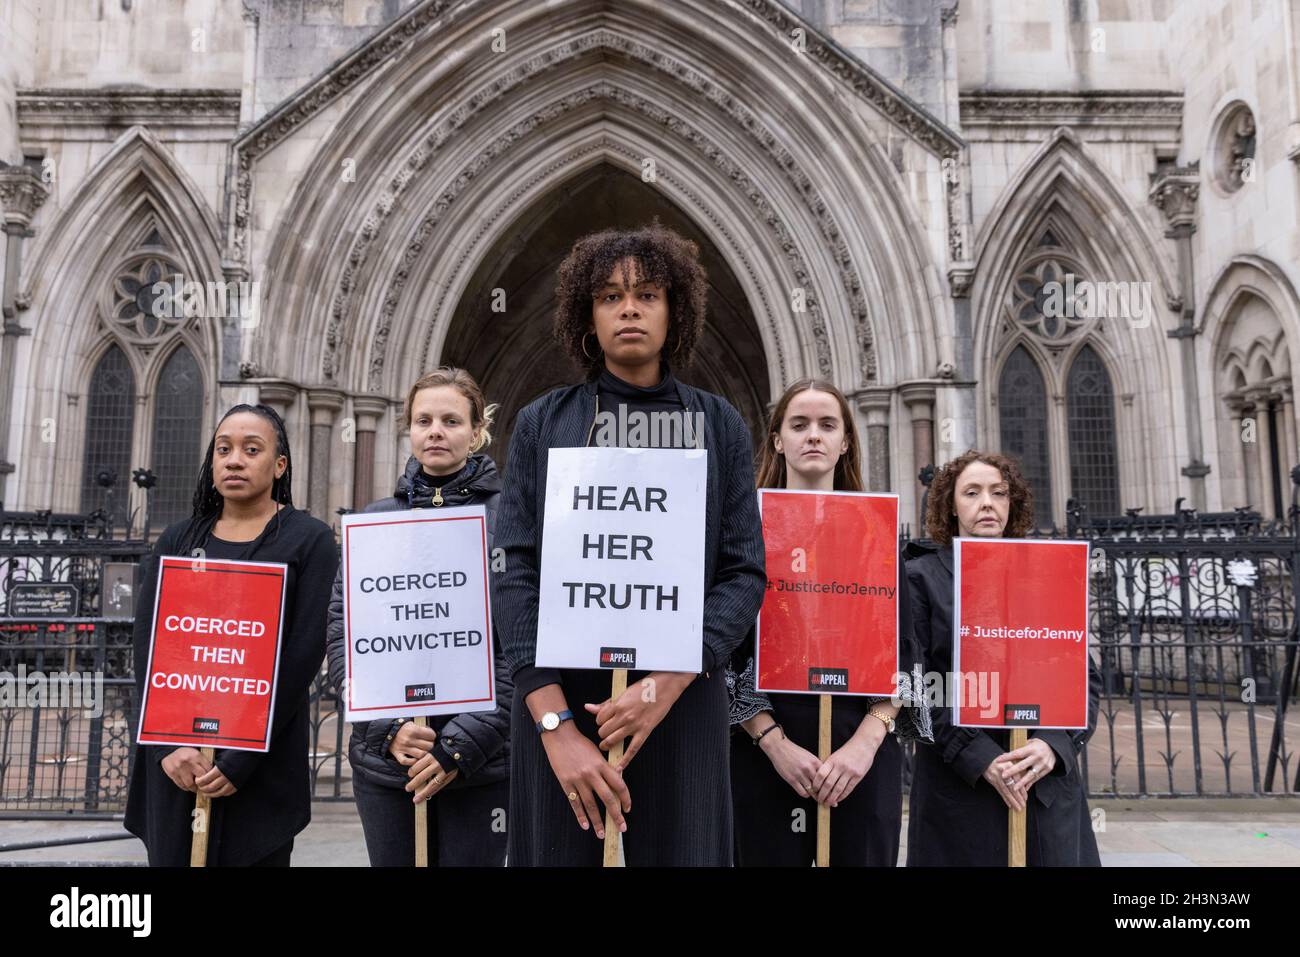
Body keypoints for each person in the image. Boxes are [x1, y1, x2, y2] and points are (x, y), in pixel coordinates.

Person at [493, 224, 766, 866]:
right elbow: (513, 573)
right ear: (588, 316)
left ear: (676, 311)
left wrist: (666, 683)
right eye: (611, 297)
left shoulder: (717, 424)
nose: (630, 309)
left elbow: (744, 572)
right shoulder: (543, 423)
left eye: (647, 293)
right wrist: (556, 728)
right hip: (563, 707)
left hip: (680, 711)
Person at [726, 379, 932, 866]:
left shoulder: (876, 537)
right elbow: (727, 649)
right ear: (778, 439)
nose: (813, 436)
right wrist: (774, 744)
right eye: (799, 425)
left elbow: (903, 654)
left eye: (827, 425)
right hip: (765, 754)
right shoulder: (744, 534)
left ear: (845, 442)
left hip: (859, 755)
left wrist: (864, 745)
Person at [124, 404, 337, 866]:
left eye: (251, 449)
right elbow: (149, 652)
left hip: (258, 767)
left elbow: (300, 659)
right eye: (224, 449)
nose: (234, 460)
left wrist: (241, 757)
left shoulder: (310, 541)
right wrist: (166, 747)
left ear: (279, 465)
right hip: (176, 760)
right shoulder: (178, 541)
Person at [325, 368, 512, 866]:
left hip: (483, 763)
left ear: (477, 432)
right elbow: (347, 637)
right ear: (408, 428)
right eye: (423, 419)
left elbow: (521, 642)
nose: (435, 430)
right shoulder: (374, 520)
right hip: (387, 764)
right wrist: (386, 728)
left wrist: (460, 744)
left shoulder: (511, 519)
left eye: (451, 420)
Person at [903, 449, 1102, 866]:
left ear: (1013, 504)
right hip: (960, 785)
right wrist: (979, 757)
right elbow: (915, 681)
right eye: (972, 493)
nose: (988, 503)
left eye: (999, 492)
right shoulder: (921, 578)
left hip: (1042, 783)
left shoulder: (1046, 572)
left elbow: (1083, 676)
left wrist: (1055, 743)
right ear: (951, 506)